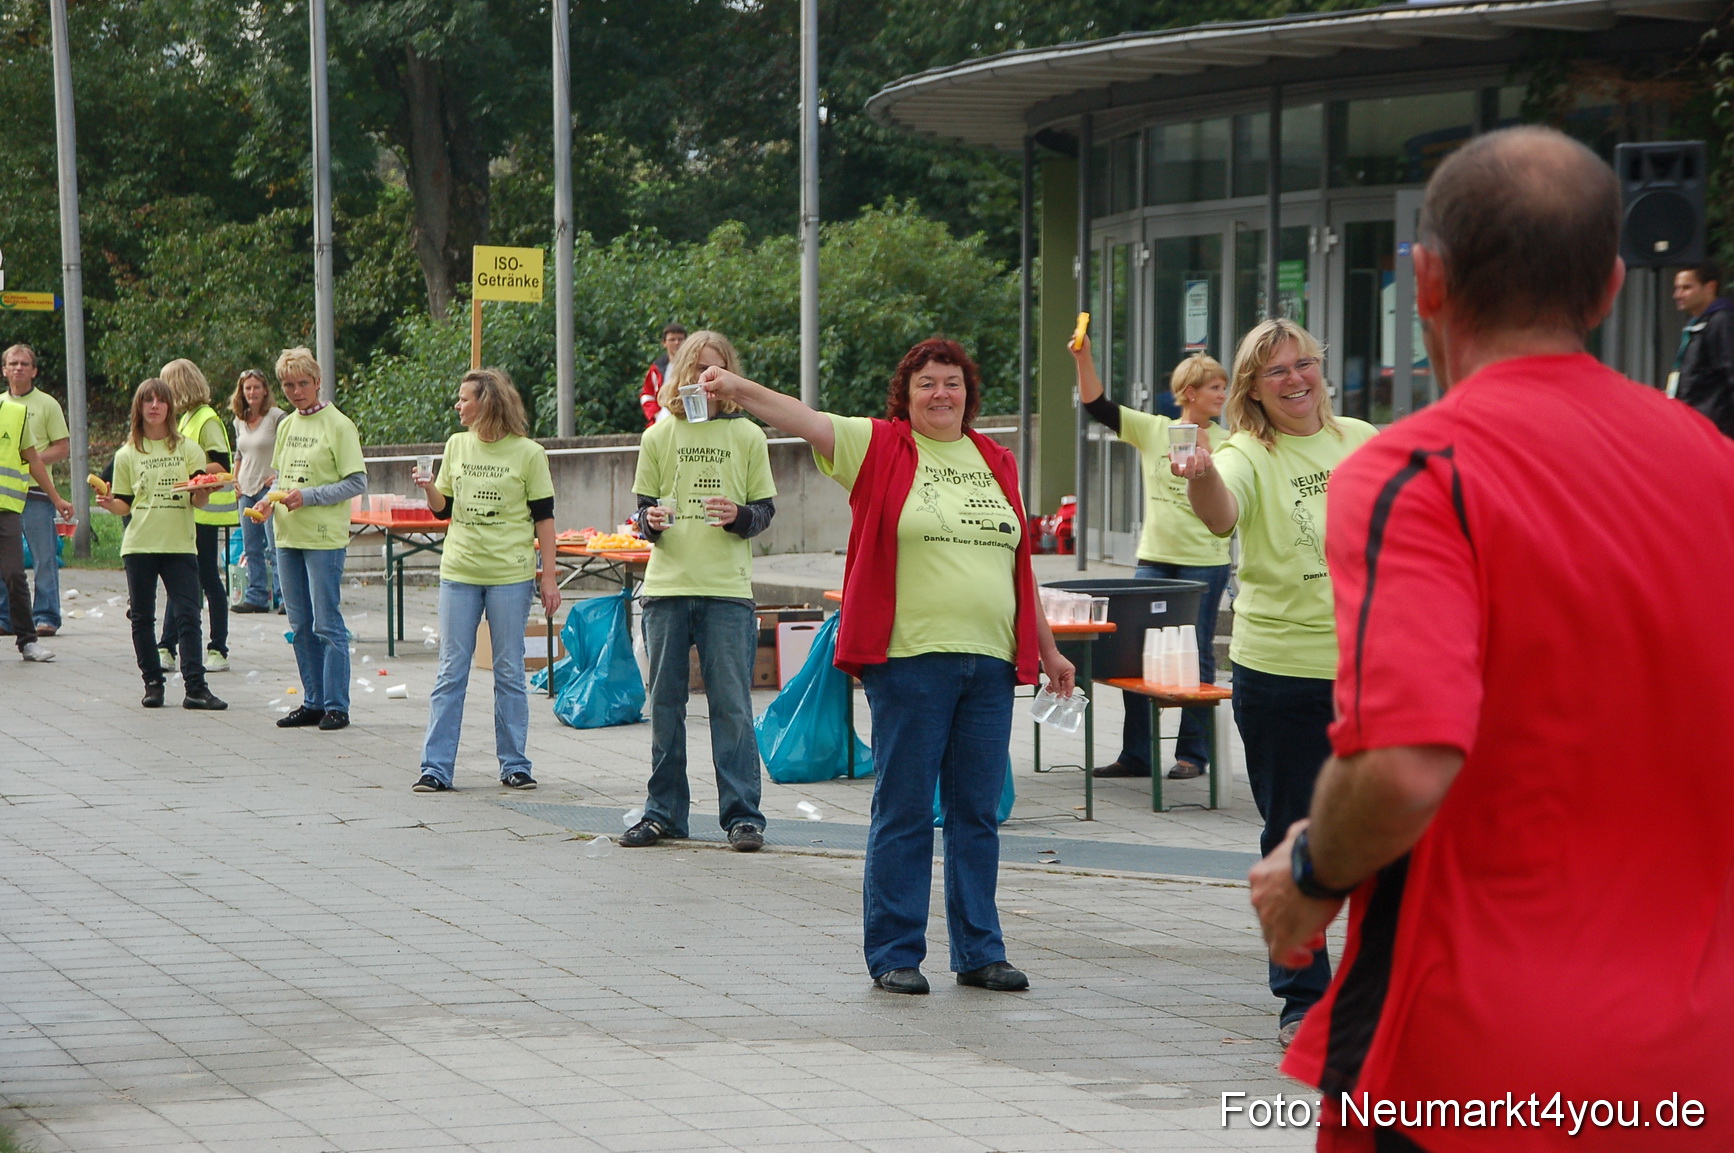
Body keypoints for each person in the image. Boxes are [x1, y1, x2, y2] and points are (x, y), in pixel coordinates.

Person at [1250, 127, 1734, 1152]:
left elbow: (1404, 761)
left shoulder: (1416, 472)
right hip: (1698, 1070)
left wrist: (1309, 876)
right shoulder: (1713, 462)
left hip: (1471, 1067)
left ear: (1424, 281)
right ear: (1606, 288)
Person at [703, 338, 1076, 995]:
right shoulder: (882, 447)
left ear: (969, 391)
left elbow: (1017, 563)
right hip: (909, 661)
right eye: (926, 383)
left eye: (952, 382)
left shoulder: (997, 460)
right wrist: (735, 388)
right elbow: (802, 416)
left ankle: (980, 950)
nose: (941, 394)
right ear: (905, 395)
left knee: (976, 812)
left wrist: (1047, 648)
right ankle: (896, 952)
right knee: (904, 807)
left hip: (989, 663)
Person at [1175, 316, 1377, 1046]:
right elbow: (1220, 513)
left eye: (1304, 364)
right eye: (1275, 371)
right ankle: (1301, 995)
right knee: (1297, 836)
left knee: (1383, 839)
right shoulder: (1244, 454)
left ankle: (1375, 984)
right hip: (1283, 675)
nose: (1295, 379)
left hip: (1371, 671)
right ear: (1254, 391)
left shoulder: (1363, 439)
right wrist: (1199, 480)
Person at [620, 331, 777, 852]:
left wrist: (739, 517)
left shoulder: (749, 436)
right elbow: (642, 514)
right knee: (664, 705)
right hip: (666, 587)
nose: (704, 383)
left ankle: (742, 816)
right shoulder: (659, 436)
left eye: (714, 372)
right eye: (696, 371)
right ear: (680, 374)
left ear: (728, 376)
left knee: (731, 705)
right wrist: (652, 521)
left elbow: (764, 512)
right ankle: (664, 813)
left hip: (726, 590)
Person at [1071, 339, 1231, 781]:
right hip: (1154, 559)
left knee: (1197, 653)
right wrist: (1084, 357)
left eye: (1224, 387)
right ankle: (1137, 755)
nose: (1222, 394)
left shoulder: (1230, 441)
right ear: (1190, 392)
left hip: (1205, 559)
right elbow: (1097, 405)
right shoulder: (1155, 430)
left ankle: (1193, 755)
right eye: (1214, 387)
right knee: (1134, 653)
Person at [411, 368, 560, 793]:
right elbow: (443, 509)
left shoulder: (529, 453)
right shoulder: (457, 445)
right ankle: (435, 768)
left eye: (464, 399)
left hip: (509, 574)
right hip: (459, 570)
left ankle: (515, 764)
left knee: (509, 669)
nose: (458, 405)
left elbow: (545, 519)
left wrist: (548, 578)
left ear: (488, 402)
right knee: (450, 670)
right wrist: (427, 488)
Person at [95, 379, 227, 711]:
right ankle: (153, 682)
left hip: (180, 544)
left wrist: (205, 491)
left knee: (188, 614)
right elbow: (125, 503)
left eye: (161, 400)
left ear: (170, 407)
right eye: (147, 401)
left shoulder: (187, 449)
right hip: (140, 544)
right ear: (138, 409)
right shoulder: (127, 454)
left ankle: (196, 687)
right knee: (142, 617)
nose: (154, 406)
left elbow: (199, 499)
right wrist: (109, 504)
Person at [253, 347, 366, 732]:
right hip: (287, 533)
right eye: (288, 385)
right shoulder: (286, 426)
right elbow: (283, 477)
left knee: (326, 623)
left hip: (323, 537)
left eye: (303, 383)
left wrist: (312, 496)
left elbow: (356, 482)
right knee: (300, 623)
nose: (296, 391)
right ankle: (313, 700)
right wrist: (269, 501)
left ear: (317, 382)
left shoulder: (339, 424)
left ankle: (337, 705)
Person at [158, 359, 239, 673]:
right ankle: (167, 645)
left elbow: (220, 464)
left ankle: (218, 647)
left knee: (207, 579)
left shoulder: (206, 419)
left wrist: (191, 476)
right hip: (188, 511)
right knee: (179, 579)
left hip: (207, 513)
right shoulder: (187, 419)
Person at [0, 343, 70, 638]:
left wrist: (32, 462)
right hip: (5, 496)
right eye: (13, 363)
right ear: (4, 370)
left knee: (44, 557)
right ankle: (5, 618)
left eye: (25, 364)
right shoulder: (2, 406)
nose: (18, 368)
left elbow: (62, 447)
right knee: (7, 562)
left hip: (37, 493)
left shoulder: (47, 404)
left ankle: (46, 615)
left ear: (35, 371)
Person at [230, 369, 286, 613]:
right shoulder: (238, 420)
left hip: (268, 489)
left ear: (265, 390)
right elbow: (239, 453)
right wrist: (234, 479)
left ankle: (285, 598)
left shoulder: (277, 417)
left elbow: (288, 447)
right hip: (247, 489)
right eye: (247, 388)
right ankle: (257, 596)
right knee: (251, 548)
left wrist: (281, 474)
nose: (252, 392)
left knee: (275, 547)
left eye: (256, 387)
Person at [1669, 260, 1733, 438]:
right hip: (1694, 425)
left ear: (1710, 287)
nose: (1677, 294)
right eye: (1677, 288)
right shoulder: (1696, 324)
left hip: (1716, 429)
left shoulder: (1722, 322)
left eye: (1686, 287)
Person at [638, 323, 687, 426]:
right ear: (664, 343)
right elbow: (647, 395)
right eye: (672, 340)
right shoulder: (656, 368)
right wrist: (656, 413)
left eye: (680, 339)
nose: (677, 343)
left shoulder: (696, 365)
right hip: (663, 420)